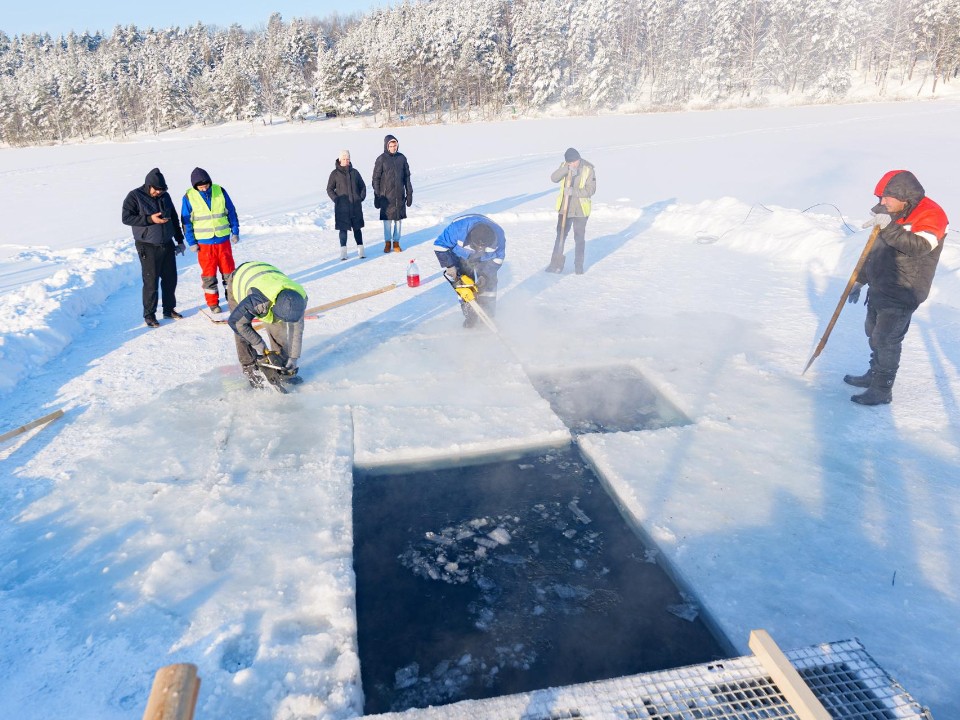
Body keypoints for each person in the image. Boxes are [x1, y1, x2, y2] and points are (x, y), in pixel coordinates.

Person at [844, 170, 948, 405]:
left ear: (904, 196)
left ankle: (882, 389)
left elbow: (919, 247)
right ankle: (874, 375)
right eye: (880, 197)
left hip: (904, 288)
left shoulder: (932, 215)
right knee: (872, 332)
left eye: (886, 197)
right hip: (881, 286)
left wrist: (888, 226)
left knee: (886, 339)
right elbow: (875, 251)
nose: (882, 202)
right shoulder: (892, 212)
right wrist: (861, 279)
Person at [227, 261, 308, 389]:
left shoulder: (299, 299)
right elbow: (237, 323)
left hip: (266, 276)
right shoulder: (258, 301)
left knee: (278, 328)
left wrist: (293, 358)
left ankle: (281, 365)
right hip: (239, 279)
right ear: (273, 306)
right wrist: (259, 344)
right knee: (242, 332)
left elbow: (297, 330)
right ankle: (250, 369)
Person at [121, 167, 186, 327]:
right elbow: (126, 218)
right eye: (156, 189)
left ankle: (169, 309)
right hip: (147, 246)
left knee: (171, 279)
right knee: (151, 281)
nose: (159, 192)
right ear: (148, 185)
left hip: (167, 243)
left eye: (161, 190)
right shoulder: (134, 196)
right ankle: (149, 315)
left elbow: (174, 217)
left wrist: (179, 239)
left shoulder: (165, 196)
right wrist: (150, 219)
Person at [181, 167, 240, 313]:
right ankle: (213, 304)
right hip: (204, 244)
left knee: (229, 272)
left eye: (206, 184)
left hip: (223, 241)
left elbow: (231, 211)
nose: (204, 187)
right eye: (200, 186)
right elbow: (186, 221)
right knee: (209, 274)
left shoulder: (220, 191)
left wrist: (235, 231)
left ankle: (232, 300)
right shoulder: (189, 197)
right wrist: (192, 242)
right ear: (195, 186)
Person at [433, 214, 505, 328]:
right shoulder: (457, 229)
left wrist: (485, 276)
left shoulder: (499, 235)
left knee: (489, 285)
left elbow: (498, 259)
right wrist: (450, 266)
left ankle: (488, 315)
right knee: (465, 288)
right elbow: (439, 246)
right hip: (460, 256)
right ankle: (470, 316)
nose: (479, 250)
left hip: (485, 259)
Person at [546, 148, 596, 275]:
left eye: (575, 161)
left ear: (579, 158)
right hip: (565, 209)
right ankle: (555, 264)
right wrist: (566, 170)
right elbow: (554, 178)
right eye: (570, 162)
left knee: (579, 238)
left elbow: (591, 190)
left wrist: (573, 192)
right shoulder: (565, 166)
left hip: (580, 210)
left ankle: (578, 266)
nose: (574, 164)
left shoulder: (588, 169)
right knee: (560, 236)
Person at [372, 134, 413, 253]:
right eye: (391, 145)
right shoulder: (381, 159)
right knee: (387, 222)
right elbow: (375, 178)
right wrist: (377, 195)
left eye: (395, 145)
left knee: (398, 221)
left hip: (399, 195)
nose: (393, 147)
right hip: (386, 197)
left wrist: (409, 193)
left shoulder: (402, 158)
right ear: (387, 146)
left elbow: (407, 177)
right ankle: (387, 242)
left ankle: (396, 242)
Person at [326, 150, 366, 261]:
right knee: (343, 229)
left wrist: (360, 198)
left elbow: (362, 187)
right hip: (342, 208)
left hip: (355, 206)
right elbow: (329, 189)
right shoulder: (335, 174)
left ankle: (361, 250)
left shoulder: (355, 173)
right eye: (344, 159)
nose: (346, 161)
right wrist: (336, 199)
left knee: (357, 229)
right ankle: (343, 252)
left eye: (347, 159)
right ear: (340, 160)